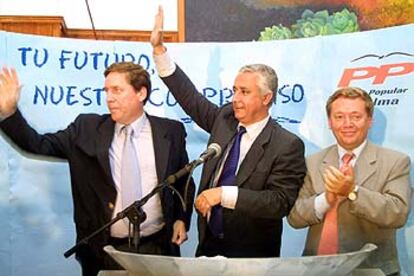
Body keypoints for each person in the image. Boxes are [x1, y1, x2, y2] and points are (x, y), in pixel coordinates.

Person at [0, 62, 195, 276]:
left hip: (158, 248)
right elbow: (37, 144)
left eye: (117, 90)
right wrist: (9, 112)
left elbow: (183, 181)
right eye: (106, 90)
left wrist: (180, 218)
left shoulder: (170, 131)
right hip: (103, 251)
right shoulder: (86, 129)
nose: (109, 98)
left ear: (141, 93)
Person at [150, 6, 306, 258]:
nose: (235, 99)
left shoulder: (286, 144)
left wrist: (223, 195)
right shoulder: (225, 119)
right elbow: (190, 99)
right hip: (208, 246)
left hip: (252, 257)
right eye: (234, 90)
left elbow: (279, 202)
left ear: (266, 98)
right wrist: (159, 51)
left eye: (244, 92)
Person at [288, 87, 412, 275]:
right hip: (317, 270)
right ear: (330, 122)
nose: (347, 124)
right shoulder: (312, 162)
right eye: (339, 117)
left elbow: (397, 213)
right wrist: (326, 199)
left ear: (369, 120)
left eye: (355, 116)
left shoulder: (396, 161)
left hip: (372, 270)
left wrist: (352, 191)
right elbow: (295, 217)